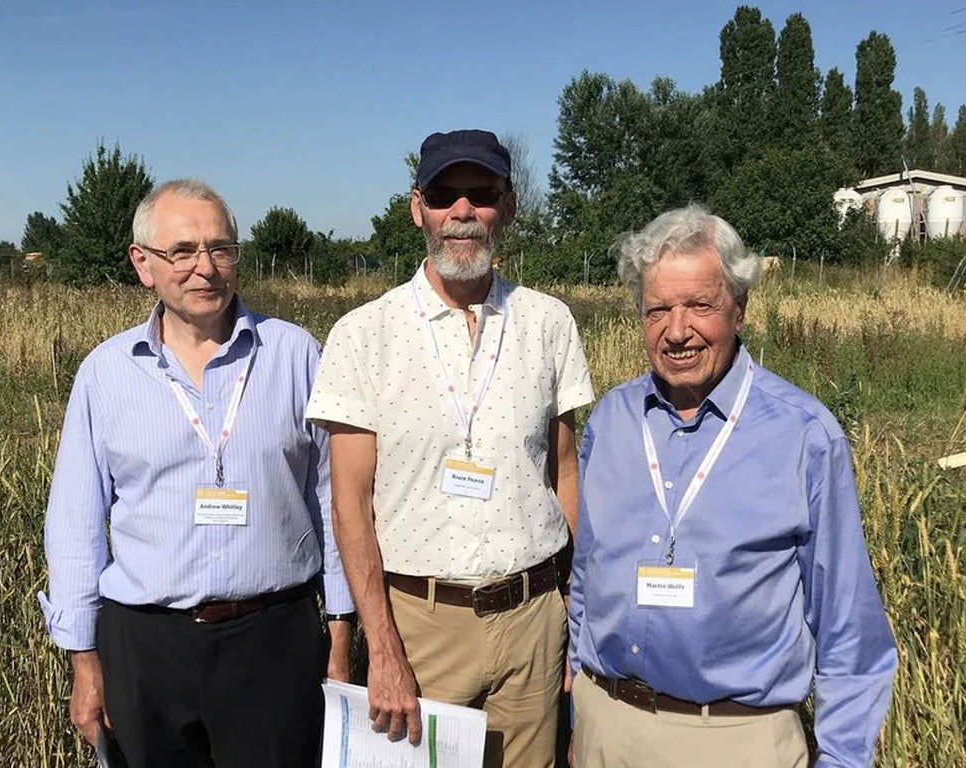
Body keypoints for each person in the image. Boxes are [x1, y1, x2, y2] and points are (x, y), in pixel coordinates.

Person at [38, 179, 354, 768]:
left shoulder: (295, 355)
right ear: (143, 264)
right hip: (147, 647)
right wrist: (84, 662)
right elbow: (75, 525)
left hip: (275, 641)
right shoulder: (106, 374)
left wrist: (339, 632)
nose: (204, 268)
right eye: (181, 251)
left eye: (221, 248)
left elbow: (332, 501)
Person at [568, 204, 897, 768]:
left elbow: (849, 632)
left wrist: (842, 759)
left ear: (739, 308)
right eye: (657, 310)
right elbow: (586, 578)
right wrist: (583, 711)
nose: (677, 331)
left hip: (735, 740)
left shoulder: (803, 435)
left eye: (700, 305)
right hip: (608, 726)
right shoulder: (610, 421)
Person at [306, 129, 594, 768]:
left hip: (534, 617)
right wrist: (380, 647)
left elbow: (563, 475)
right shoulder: (363, 335)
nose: (462, 211)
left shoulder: (549, 323)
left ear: (508, 207)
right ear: (418, 209)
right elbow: (349, 504)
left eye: (481, 194)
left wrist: (575, 618)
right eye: (444, 195)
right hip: (421, 625)